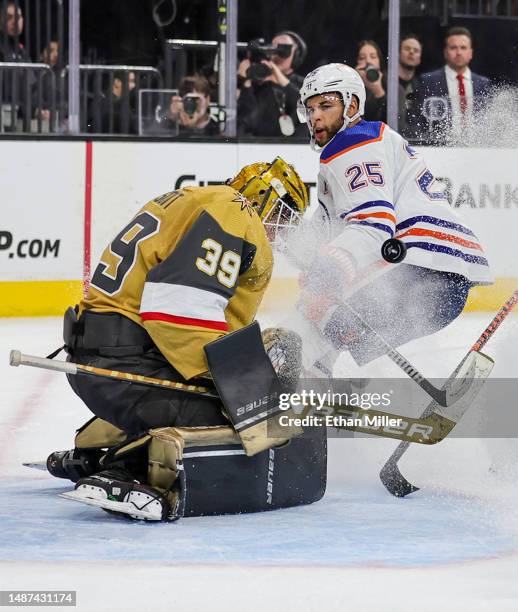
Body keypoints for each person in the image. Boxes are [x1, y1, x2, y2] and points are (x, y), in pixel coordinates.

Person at [46, 157, 318, 522]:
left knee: (231, 403)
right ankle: (130, 470)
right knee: (244, 421)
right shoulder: (235, 211)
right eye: (283, 217)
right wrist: (246, 386)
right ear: (266, 199)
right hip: (127, 365)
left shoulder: (190, 199)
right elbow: (176, 312)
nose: (280, 231)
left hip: (103, 365)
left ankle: (97, 452)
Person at [295, 63, 492, 376]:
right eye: (310, 108)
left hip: (421, 274)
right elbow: (331, 232)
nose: (315, 116)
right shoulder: (370, 141)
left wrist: (329, 267)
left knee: (307, 320)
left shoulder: (353, 144)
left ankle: (296, 398)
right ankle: (317, 391)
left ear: (352, 105)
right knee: (323, 321)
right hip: (443, 281)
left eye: (326, 105)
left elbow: (373, 226)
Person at [416, 27, 491, 142]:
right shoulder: (428, 81)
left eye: (463, 48)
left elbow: (488, 121)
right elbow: (420, 120)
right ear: (445, 52)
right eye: (453, 48)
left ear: (471, 53)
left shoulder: (483, 84)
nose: (459, 52)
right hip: (441, 147)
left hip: (477, 146)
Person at [237, 31, 307, 137]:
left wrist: (280, 79)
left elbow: (307, 106)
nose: (277, 55)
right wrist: (244, 81)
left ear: (296, 55)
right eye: (273, 49)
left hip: (295, 148)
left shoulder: (304, 84)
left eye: (284, 50)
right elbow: (244, 118)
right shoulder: (257, 84)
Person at [151, 75, 220, 137]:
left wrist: (193, 127)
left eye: (197, 100)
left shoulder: (218, 126)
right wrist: (169, 115)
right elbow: (151, 132)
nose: (193, 105)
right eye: (189, 101)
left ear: (207, 100)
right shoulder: (172, 125)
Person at [355, 40, 386, 122]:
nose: (368, 61)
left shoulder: (391, 86)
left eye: (373, 57)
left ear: (379, 62)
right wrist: (354, 80)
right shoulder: (351, 86)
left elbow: (394, 122)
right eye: (362, 58)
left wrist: (379, 92)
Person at [398, 34, 422, 138]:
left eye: (416, 50)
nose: (411, 52)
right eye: (407, 49)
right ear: (398, 53)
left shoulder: (421, 86)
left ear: (419, 59)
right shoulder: (386, 83)